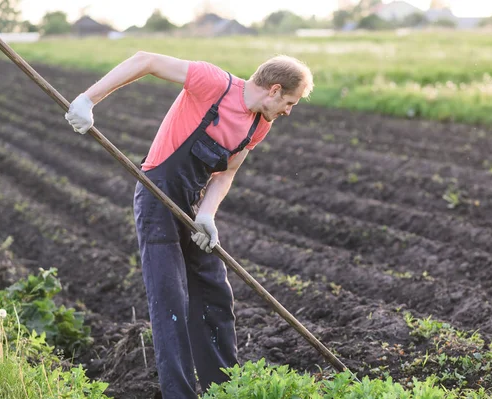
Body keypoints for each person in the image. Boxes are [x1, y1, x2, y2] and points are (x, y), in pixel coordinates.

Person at [64, 51, 314, 398]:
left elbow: (225, 174)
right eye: (290, 101)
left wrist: (207, 215)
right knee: (170, 303)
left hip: (192, 205)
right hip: (157, 196)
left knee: (215, 292)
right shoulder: (214, 83)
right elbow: (145, 60)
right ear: (274, 90)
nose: (289, 110)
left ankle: (225, 389)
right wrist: (88, 100)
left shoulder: (259, 125)